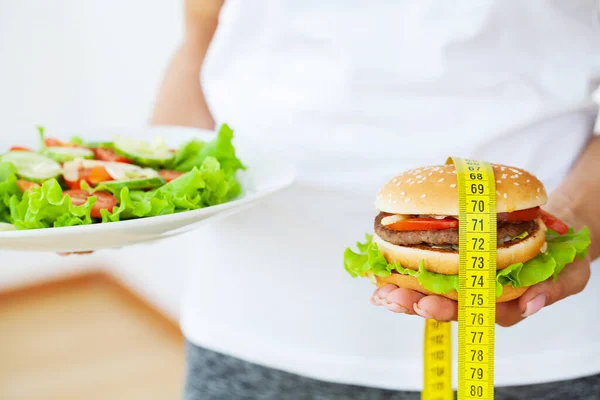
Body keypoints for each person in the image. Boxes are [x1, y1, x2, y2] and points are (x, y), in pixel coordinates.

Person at [150, 1, 600, 398]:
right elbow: (200, 38)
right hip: (251, 315)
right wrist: (146, 193)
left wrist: (575, 219)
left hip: (543, 354)